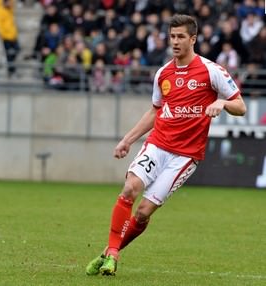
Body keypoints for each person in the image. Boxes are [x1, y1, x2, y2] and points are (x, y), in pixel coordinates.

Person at [85, 14, 247, 276]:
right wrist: (128, 139)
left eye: (181, 36)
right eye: (172, 36)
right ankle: (113, 255)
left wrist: (223, 103)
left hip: (185, 156)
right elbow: (154, 112)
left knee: (143, 213)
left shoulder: (211, 71)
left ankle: (108, 251)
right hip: (158, 145)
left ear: (193, 39)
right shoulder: (163, 74)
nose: (175, 41)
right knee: (129, 189)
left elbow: (241, 106)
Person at [0, 0, 20, 76]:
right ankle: (11, 70)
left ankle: (11, 68)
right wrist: (3, 34)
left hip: (13, 35)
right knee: (9, 53)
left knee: (17, 50)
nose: (11, 4)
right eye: (9, 2)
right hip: (6, 36)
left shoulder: (10, 9)